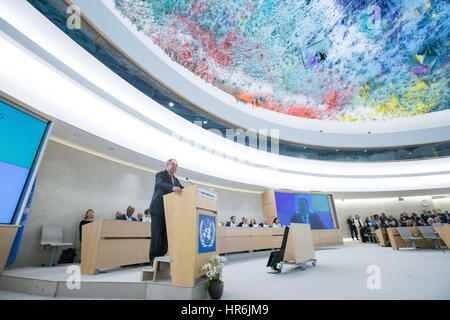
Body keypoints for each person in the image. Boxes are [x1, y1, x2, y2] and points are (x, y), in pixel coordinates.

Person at [148, 159, 184, 268]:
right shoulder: (160, 175)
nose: (175, 166)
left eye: (176, 165)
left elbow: (181, 189)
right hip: (158, 209)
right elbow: (161, 184)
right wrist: (172, 188)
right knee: (156, 236)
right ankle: (153, 262)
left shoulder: (176, 180)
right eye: (173, 164)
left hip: (170, 211)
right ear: (167, 165)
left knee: (165, 237)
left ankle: (160, 258)